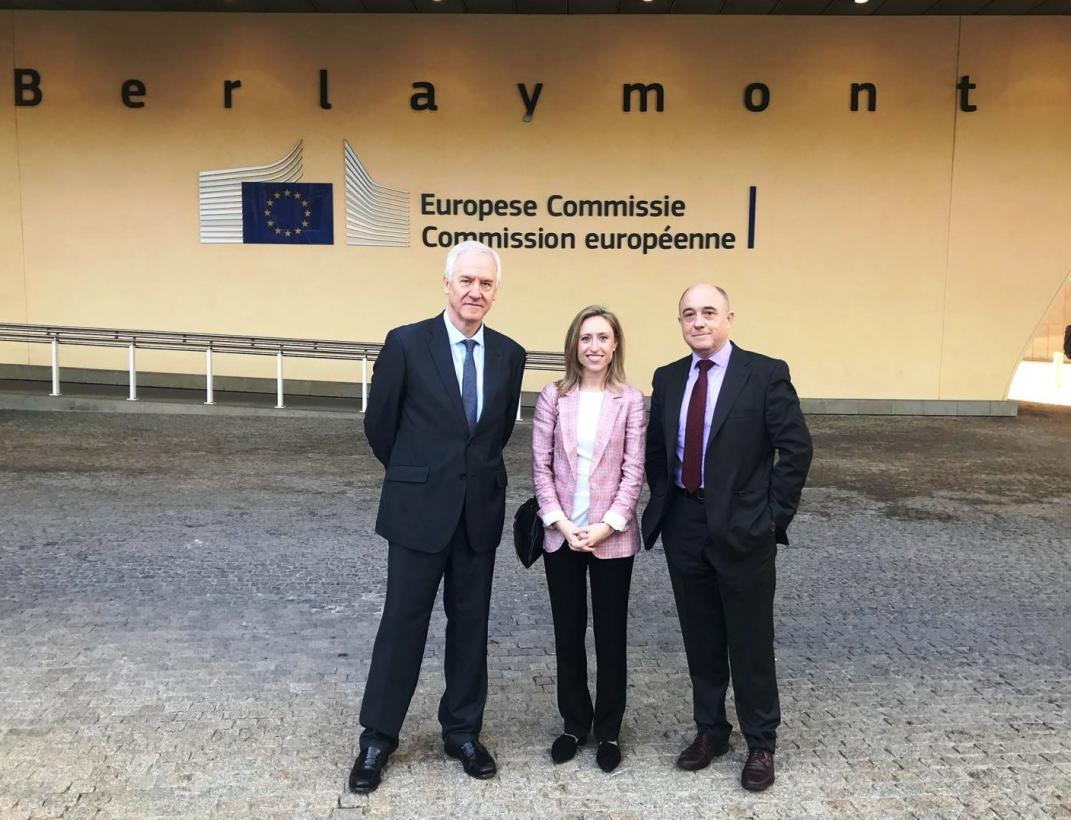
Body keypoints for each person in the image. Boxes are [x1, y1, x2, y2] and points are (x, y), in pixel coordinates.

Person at [347, 240, 527, 794]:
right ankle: (378, 738)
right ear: (447, 284)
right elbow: (380, 426)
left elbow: (495, 434)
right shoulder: (406, 343)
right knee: (403, 623)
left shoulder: (510, 355)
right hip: (418, 512)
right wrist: (418, 475)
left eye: (486, 283)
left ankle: (463, 732)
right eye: (466, 280)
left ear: (495, 291)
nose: (476, 291)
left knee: (470, 627)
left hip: (478, 514)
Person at [641, 284, 812, 792]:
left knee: (750, 638)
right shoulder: (668, 377)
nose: (699, 321)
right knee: (701, 636)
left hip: (744, 527)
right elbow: (657, 451)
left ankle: (761, 742)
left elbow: (796, 449)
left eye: (709, 312)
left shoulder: (764, 373)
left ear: (729, 318)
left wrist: (771, 517)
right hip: (684, 524)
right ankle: (711, 730)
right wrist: (666, 504)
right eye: (689, 314)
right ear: (680, 322)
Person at [531, 305, 646, 773]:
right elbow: (540, 467)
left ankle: (609, 729)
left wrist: (609, 524)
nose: (594, 346)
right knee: (568, 632)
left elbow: (634, 470)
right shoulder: (554, 397)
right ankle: (574, 723)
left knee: (611, 634)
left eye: (602, 338)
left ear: (615, 345)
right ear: (573, 345)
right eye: (585, 338)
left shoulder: (630, 400)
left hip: (611, 537)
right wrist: (560, 522)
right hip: (561, 535)